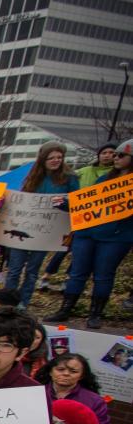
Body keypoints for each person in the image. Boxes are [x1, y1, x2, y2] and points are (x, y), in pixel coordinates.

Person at [46, 138, 132, 327]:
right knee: (77, 272)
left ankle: (95, 314)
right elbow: (88, 202)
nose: (115, 158)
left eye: (121, 155)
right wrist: (67, 205)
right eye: (115, 154)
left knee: (103, 275)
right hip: (87, 233)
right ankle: (65, 309)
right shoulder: (104, 179)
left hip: (115, 237)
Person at [2, 142, 78, 309]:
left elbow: (76, 202)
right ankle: (7, 302)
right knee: (14, 268)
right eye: (51, 158)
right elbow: (19, 199)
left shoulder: (70, 178)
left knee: (32, 270)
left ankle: (23, 302)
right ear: (43, 159)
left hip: (46, 233)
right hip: (25, 227)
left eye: (59, 157)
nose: (55, 161)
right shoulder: (32, 176)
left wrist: (64, 204)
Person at [34, 352, 110, 424]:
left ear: (82, 375)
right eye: (60, 369)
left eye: (73, 371)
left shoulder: (94, 401)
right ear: (50, 371)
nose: (66, 374)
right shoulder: (34, 393)